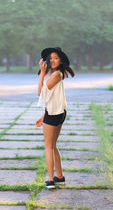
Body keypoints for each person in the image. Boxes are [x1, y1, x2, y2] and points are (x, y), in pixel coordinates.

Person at [36, 47, 75, 189]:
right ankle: (60, 176)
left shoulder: (56, 75)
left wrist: (42, 74)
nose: (52, 60)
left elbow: (40, 93)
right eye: (50, 58)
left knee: (48, 146)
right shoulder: (57, 75)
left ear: (61, 61)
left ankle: (51, 180)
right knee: (53, 146)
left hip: (54, 115)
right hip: (57, 113)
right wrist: (43, 115)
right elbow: (52, 98)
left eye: (56, 58)